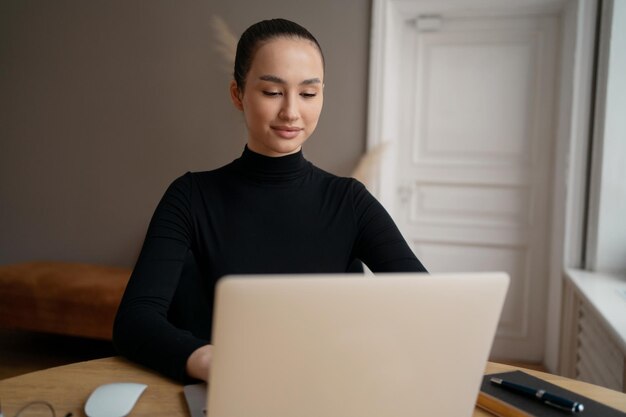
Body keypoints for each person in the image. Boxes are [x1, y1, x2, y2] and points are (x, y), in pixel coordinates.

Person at [113, 18, 427, 384]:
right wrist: (210, 361)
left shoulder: (349, 200)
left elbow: (423, 301)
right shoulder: (189, 197)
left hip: (327, 387)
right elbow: (136, 321)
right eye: (273, 92)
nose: (291, 112)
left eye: (308, 94)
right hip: (230, 388)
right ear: (237, 94)